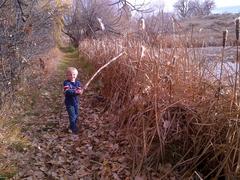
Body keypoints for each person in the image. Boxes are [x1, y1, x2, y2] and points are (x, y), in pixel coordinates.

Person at [63, 67, 83, 134]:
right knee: (72, 116)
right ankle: (74, 130)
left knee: (76, 115)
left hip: (75, 102)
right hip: (69, 103)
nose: (72, 76)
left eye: (74, 74)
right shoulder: (66, 83)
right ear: (67, 76)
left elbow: (79, 91)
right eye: (70, 75)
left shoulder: (78, 83)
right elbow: (67, 91)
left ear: (76, 75)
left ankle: (71, 127)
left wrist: (80, 92)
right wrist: (76, 92)